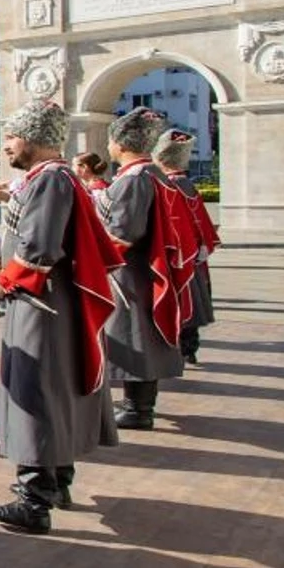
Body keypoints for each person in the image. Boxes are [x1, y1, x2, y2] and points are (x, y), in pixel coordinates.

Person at [0, 101, 123, 534]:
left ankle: (34, 499)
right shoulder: (50, 178)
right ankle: (55, 483)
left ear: (35, 139)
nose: (6, 146)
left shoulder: (51, 180)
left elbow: (39, 248)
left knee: (35, 389)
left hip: (39, 301)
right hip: (49, 301)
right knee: (51, 388)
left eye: (12, 137)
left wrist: (3, 281)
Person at [102, 108, 191, 430]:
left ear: (120, 144)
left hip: (129, 270)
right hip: (142, 267)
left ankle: (138, 408)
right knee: (139, 335)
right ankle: (138, 404)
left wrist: (88, 262)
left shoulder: (133, 179)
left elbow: (122, 233)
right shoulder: (150, 174)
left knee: (133, 335)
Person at [154, 130, 217, 365]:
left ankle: (179, 349)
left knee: (181, 302)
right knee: (192, 300)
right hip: (193, 254)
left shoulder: (169, 186)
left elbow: (173, 222)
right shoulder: (187, 183)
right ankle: (190, 348)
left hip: (178, 256)